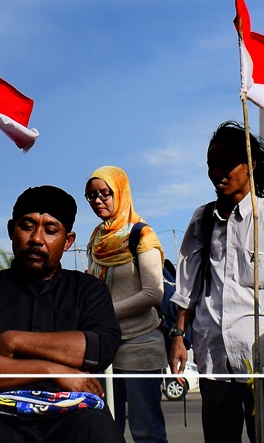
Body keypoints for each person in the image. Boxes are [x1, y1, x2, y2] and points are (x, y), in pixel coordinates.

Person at [0, 184, 123, 443]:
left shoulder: (89, 290)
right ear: (12, 231)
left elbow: (99, 349)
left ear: (68, 241)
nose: (37, 239)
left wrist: (11, 341)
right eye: (27, 226)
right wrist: (52, 371)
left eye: (51, 230)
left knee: (99, 430)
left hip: (69, 416)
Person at [170, 121, 264, 443]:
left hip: (262, 357)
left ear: (251, 165)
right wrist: (178, 336)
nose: (217, 172)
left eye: (226, 163)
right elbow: (187, 285)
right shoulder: (202, 219)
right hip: (212, 355)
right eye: (211, 164)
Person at [83, 166, 168, 443]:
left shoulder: (141, 234)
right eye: (91, 196)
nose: (98, 201)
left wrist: (105, 314)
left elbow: (153, 293)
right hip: (103, 347)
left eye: (104, 194)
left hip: (139, 344)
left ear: (120, 192)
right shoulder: (97, 239)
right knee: (105, 430)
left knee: (146, 432)